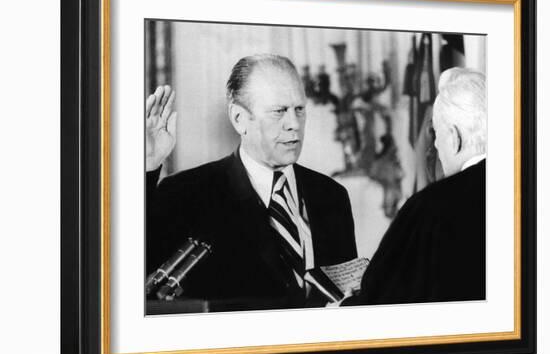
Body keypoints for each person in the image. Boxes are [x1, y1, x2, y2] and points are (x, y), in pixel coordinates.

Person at [146, 54, 357, 311]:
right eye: (279, 111)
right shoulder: (187, 194)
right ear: (239, 119)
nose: (294, 125)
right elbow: (135, 281)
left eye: (299, 109)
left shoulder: (331, 195)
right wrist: (148, 167)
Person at [347, 67, 486, 305]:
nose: (436, 148)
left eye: (436, 135)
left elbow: (380, 304)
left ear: (455, 138)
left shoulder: (430, 208)